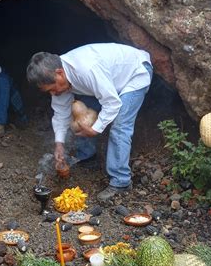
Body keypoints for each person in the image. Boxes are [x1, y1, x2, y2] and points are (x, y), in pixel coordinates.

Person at [26, 43, 153, 201]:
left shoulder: (87, 69)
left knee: (119, 125)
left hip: (135, 73)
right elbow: (60, 114)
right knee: (80, 116)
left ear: (59, 73)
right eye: (49, 91)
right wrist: (59, 144)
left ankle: (121, 182)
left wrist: (95, 129)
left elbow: (112, 103)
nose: (53, 93)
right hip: (110, 81)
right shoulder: (62, 78)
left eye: (52, 89)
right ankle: (88, 158)